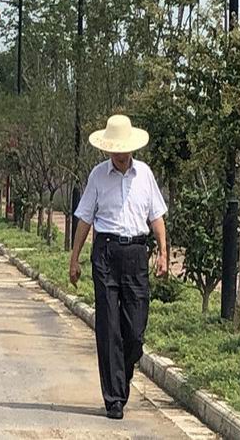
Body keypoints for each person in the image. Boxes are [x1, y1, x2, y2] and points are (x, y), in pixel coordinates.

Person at [69, 114, 168, 420]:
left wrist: (164, 252)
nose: (119, 153)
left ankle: (121, 375)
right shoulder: (98, 176)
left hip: (137, 253)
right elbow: (85, 218)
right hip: (106, 254)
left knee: (135, 332)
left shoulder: (145, 174)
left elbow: (156, 216)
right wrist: (74, 258)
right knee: (109, 326)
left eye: (123, 148)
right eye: (114, 148)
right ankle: (114, 398)